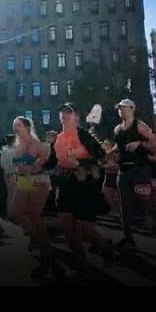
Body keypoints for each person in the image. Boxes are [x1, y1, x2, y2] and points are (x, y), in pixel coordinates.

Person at [49, 103, 113, 272]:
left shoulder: (84, 136)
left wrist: (82, 164)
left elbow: (101, 157)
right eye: (62, 112)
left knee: (85, 231)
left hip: (84, 186)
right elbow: (54, 161)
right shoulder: (59, 138)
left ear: (76, 117)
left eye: (68, 112)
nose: (64, 115)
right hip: (65, 186)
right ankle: (81, 262)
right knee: (67, 227)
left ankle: (104, 245)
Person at [112, 98, 156, 250]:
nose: (121, 110)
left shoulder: (140, 126)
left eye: (124, 107)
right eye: (119, 108)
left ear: (132, 109)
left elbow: (155, 143)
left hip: (140, 170)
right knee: (124, 206)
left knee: (144, 203)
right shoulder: (117, 129)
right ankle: (128, 238)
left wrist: (140, 144)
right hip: (124, 171)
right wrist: (110, 153)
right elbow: (119, 146)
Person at [10, 116, 51, 280]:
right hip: (24, 180)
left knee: (34, 216)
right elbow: (18, 165)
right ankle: (36, 237)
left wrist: (37, 165)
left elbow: (47, 159)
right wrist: (15, 174)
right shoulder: (18, 145)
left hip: (39, 181)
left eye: (18, 126)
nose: (16, 129)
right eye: (14, 126)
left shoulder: (35, 143)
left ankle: (45, 249)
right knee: (16, 212)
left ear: (27, 127)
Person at [0, 134, 17, 219]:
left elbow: (2, 164)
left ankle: (10, 213)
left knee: (10, 194)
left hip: (7, 173)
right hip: (13, 173)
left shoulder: (4, 150)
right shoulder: (14, 150)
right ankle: (12, 213)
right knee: (13, 194)